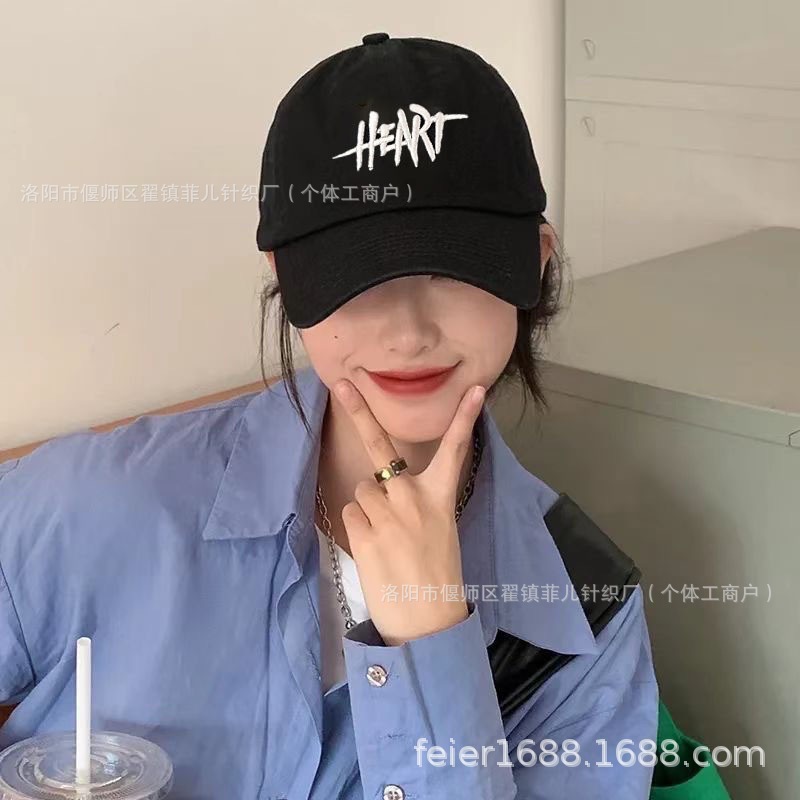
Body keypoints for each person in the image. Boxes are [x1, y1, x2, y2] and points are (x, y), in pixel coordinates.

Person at [0, 32, 659, 799]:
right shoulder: (92, 504)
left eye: (453, 268)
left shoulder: (584, 617)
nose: (409, 333)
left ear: (534, 263)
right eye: (361, 275)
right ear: (285, 277)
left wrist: (432, 642)